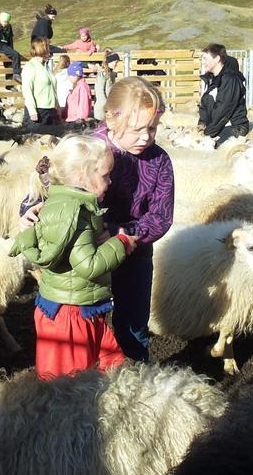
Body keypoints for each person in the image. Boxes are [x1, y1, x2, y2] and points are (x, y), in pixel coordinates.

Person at [20, 77, 173, 362]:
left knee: (133, 324)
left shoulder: (158, 160)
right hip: (81, 254)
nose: (146, 137)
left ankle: (133, 379)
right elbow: (54, 180)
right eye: (137, 129)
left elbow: (161, 216)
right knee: (86, 323)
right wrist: (30, 208)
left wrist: (121, 232)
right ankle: (84, 382)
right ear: (111, 119)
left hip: (132, 251)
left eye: (152, 129)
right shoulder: (88, 150)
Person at [11, 134, 136, 379]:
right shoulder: (76, 215)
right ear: (81, 176)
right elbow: (88, 266)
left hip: (71, 306)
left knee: (107, 369)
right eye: (105, 175)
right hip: (72, 317)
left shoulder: (59, 203)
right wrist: (121, 243)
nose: (110, 181)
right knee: (71, 386)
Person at [198, 43, 248, 138]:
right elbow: (205, 107)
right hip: (216, 128)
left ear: (217, 59)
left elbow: (223, 110)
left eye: (205, 58)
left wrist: (207, 134)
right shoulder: (213, 80)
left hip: (234, 128)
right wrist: (201, 126)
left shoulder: (230, 80)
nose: (203, 62)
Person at [21, 37, 59, 125]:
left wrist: (57, 106)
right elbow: (27, 90)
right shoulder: (30, 67)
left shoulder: (46, 67)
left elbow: (52, 88)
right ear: (42, 49)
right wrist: (32, 111)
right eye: (48, 48)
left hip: (51, 110)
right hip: (39, 111)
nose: (50, 51)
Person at [0, 12, 22, 81]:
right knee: (16, 55)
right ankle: (17, 73)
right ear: (0, 21)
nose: (5, 23)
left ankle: (9, 84)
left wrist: (11, 48)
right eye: (4, 22)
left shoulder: (9, 27)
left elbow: (10, 38)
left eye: (7, 22)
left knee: (9, 63)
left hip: (7, 46)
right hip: (0, 46)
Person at [94, 51, 121, 121]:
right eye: (116, 62)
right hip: (102, 110)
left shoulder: (111, 74)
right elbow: (100, 92)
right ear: (110, 61)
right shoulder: (102, 75)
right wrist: (107, 106)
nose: (116, 64)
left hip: (109, 108)